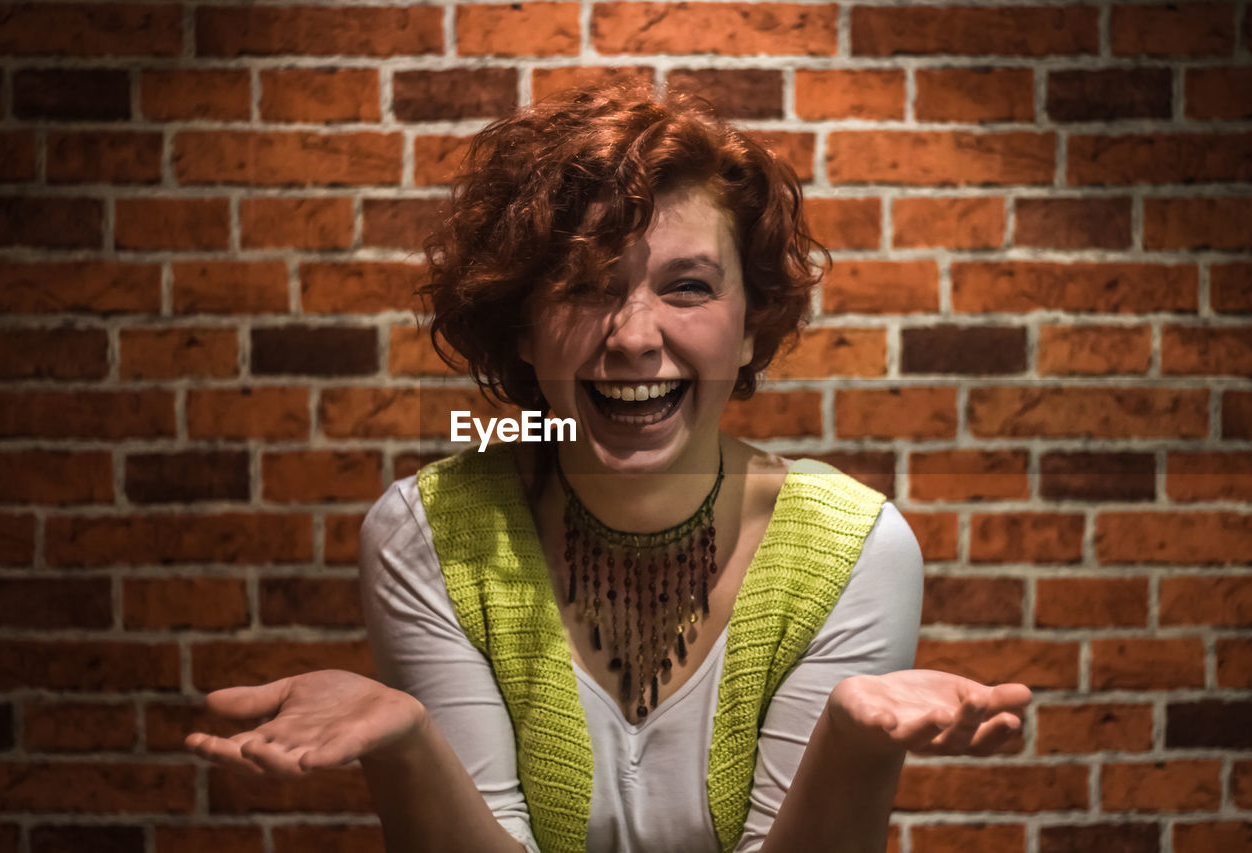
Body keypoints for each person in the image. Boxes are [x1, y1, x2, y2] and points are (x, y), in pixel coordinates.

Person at [186, 82, 1031, 853]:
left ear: (748, 326)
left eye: (689, 286)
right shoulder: (431, 533)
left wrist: (851, 745)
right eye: (586, 284)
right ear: (520, 326)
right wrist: (409, 745)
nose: (632, 337)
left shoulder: (857, 547)